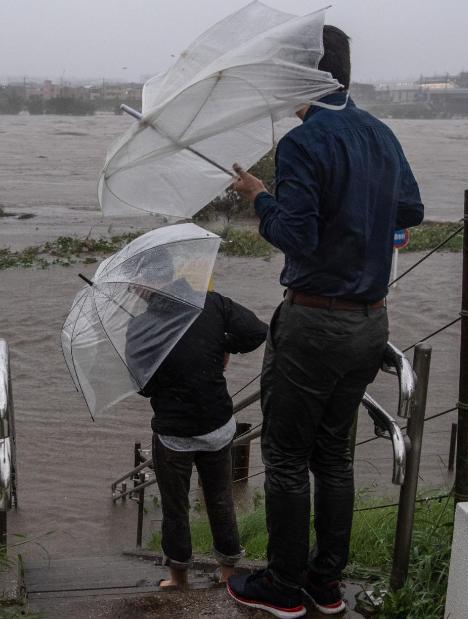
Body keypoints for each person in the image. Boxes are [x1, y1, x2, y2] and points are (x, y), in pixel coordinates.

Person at [225, 26, 424, 618]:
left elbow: (298, 238)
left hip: (313, 324)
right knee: (333, 457)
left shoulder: (302, 142)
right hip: (371, 322)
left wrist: (261, 198)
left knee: (286, 456)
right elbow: (410, 210)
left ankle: (284, 587)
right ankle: (326, 585)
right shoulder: (380, 133)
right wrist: (362, 222)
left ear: (305, 76)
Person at [129, 274, 267, 591]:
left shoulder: (141, 327)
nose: (135, 289)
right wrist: (223, 344)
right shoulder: (212, 303)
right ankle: (229, 572)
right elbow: (258, 332)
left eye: (138, 282)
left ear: (150, 283)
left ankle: (178, 577)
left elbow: (143, 386)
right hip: (217, 424)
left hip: (173, 433)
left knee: (174, 505)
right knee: (221, 499)